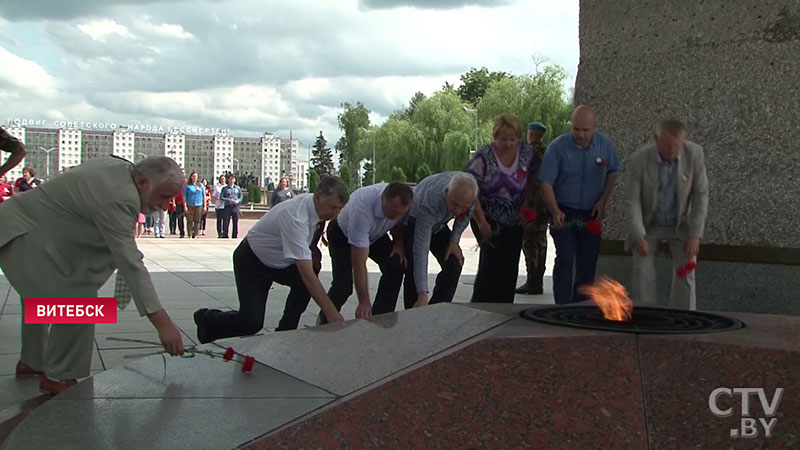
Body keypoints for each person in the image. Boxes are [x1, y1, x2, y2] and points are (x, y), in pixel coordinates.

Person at [0, 156, 186, 394]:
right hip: (22, 235)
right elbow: (130, 262)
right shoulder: (120, 197)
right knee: (79, 300)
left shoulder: (118, 168)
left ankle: (32, 361)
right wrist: (164, 325)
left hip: (23, 228)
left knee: (42, 296)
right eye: (162, 196)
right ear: (142, 182)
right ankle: (58, 375)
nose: (165, 205)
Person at [193, 176, 350, 342]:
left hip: (281, 262)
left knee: (305, 283)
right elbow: (306, 274)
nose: (335, 213)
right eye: (332, 207)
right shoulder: (296, 217)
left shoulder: (317, 208)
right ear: (317, 196)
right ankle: (207, 318)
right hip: (252, 261)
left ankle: (285, 332)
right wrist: (332, 314)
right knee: (251, 323)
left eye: (339, 209)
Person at [538, 105, 621, 304]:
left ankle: (580, 307)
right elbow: (545, 182)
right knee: (566, 258)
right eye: (576, 129)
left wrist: (603, 201)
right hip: (563, 210)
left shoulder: (605, 145)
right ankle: (561, 307)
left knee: (587, 262)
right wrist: (555, 210)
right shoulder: (558, 147)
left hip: (590, 211)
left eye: (585, 130)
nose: (581, 135)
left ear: (594, 127)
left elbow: (613, 171)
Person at [625, 120, 709, 310]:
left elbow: (701, 195)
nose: (672, 150)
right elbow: (632, 201)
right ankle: (647, 318)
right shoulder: (639, 160)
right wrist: (638, 236)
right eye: (667, 145)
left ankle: (683, 317)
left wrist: (695, 235)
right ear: (656, 140)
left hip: (680, 225)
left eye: (676, 145)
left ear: (683, 141)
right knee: (643, 273)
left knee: (686, 271)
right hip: (649, 224)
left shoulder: (695, 155)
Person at [466, 114, 537, 303]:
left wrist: (526, 204)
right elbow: (470, 189)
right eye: (503, 139)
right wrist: (481, 221)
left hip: (515, 220)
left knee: (509, 266)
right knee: (490, 265)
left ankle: (504, 307)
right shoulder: (483, 156)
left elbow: (531, 180)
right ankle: (480, 307)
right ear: (495, 137)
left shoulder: (526, 153)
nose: (508, 144)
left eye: (513, 139)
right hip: (488, 217)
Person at [318, 182, 412, 324]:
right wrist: (364, 302)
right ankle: (325, 319)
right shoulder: (363, 206)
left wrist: (399, 242)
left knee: (396, 264)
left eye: (401, 213)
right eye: (393, 212)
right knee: (343, 285)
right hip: (342, 234)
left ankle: (381, 318)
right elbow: (359, 263)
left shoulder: (407, 204)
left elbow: (403, 223)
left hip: (375, 234)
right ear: (383, 200)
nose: (397, 216)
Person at [402, 172, 477, 309]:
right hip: (415, 221)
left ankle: (438, 308)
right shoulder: (431, 201)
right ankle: (414, 311)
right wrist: (422, 294)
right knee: (413, 268)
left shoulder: (470, 192)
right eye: (455, 205)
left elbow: (465, 216)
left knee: (454, 263)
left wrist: (454, 241)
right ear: (447, 192)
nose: (458, 211)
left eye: (463, 207)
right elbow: (421, 252)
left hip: (439, 224)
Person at [516, 121, 551, 295]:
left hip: (530, 205)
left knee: (529, 242)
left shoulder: (528, 152)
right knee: (541, 241)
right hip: (545, 205)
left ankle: (532, 281)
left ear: (531, 134)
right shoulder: (548, 153)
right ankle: (538, 281)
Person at [220, 174, 243, 238]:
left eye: (233, 179)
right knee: (226, 222)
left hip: (235, 207)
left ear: (235, 180)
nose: (231, 180)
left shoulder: (237, 188)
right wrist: (229, 200)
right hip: (227, 206)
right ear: (228, 180)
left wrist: (237, 201)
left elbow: (241, 196)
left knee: (235, 222)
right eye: (230, 179)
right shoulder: (225, 188)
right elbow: (221, 197)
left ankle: (234, 235)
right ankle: (225, 235)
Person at [184, 171, 205, 239]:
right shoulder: (188, 186)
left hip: (198, 205)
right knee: (190, 220)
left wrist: (204, 206)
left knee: (197, 220)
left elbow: (204, 196)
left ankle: (196, 235)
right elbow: (184, 196)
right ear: (191, 177)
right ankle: (190, 235)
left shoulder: (200, 185)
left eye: (196, 176)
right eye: (193, 176)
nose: (195, 177)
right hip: (190, 205)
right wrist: (185, 206)